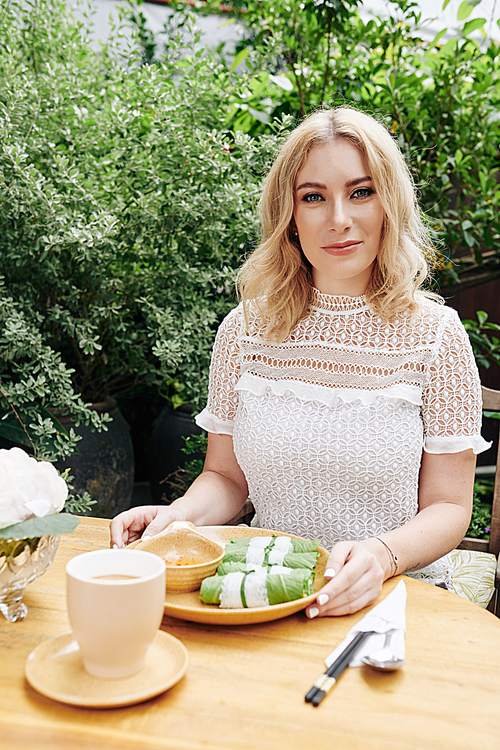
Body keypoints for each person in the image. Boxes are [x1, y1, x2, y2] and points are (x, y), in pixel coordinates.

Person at [111, 106, 489, 617]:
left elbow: (449, 507)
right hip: (264, 592)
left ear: (389, 203)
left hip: (396, 599)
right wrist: (178, 520)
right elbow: (227, 479)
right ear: (289, 216)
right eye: (314, 197)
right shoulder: (243, 331)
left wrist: (382, 557)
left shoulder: (436, 336)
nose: (339, 219)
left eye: (361, 192)